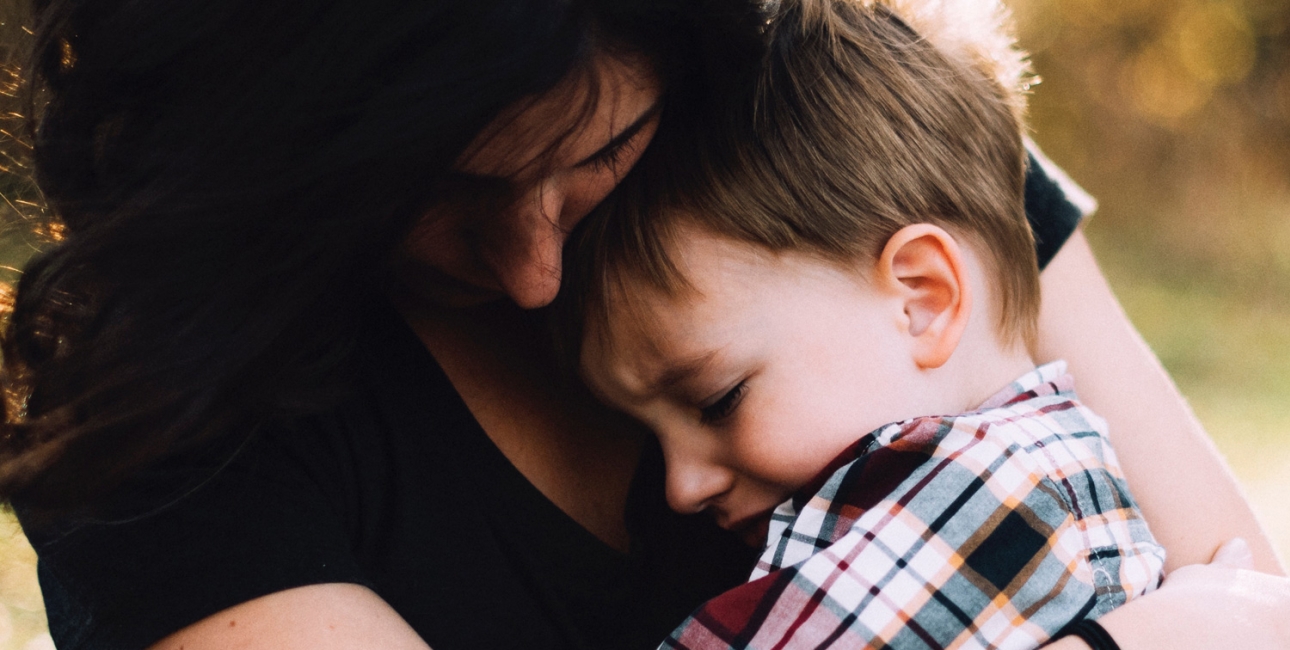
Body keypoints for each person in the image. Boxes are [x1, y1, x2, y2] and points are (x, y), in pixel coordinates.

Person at [0, 0, 1283, 649]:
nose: (533, 272)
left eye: (598, 152)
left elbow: (1253, 600)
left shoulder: (850, 157)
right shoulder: (169, 415)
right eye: (434, 193)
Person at [560, 0, 1164, 646]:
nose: (679, 486)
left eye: (718, 401)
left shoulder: (984, 504)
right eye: (649, 434)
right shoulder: (1050, 467)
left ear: (922, 300)